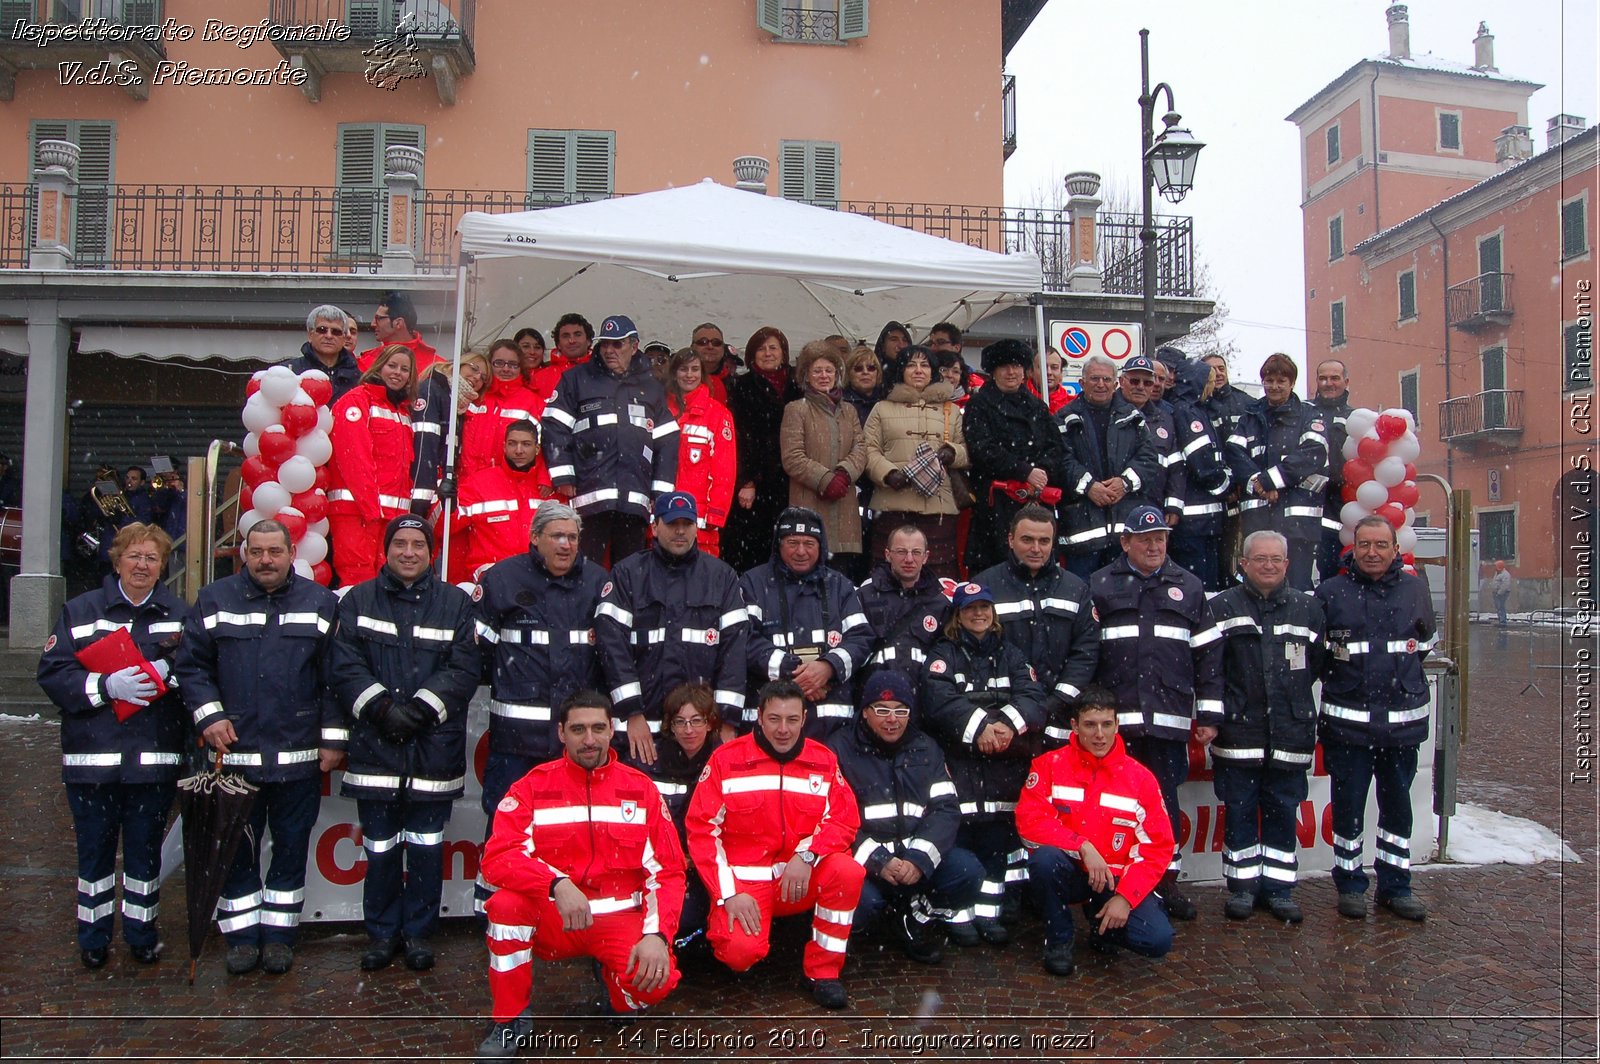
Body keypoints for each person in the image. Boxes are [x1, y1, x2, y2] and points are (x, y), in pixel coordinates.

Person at [477, 692, 687, 1057]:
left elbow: (668, 872)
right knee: (505, 906)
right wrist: (555, 883)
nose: (589, 739)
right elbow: (498, 856)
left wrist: (657, 935)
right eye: (578, 729)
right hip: (555, 917)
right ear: (561, 733)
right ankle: (510, 1020)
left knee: (658, 982)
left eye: (597, 728)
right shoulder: (532, 787)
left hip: (619, 917)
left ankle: (614, 986)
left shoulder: (640, 789)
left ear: (611, 731)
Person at [174, 519, 342, 975]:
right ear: (244, 554)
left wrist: (332, 737)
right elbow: (191, 667)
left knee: (290, 850)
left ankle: (281, 937)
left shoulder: (321, 603)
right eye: (257, 551)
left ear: (292, 554)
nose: (265, 560)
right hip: (236, 757)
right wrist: (209, 715)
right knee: (235, 853)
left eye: (275, 551)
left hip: (298, 757)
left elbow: (335, 678)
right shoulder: (214, 600)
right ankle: (242, 938)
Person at [329, 515, 480, 971]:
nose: (409, 552)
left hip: (432, 750)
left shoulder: (454, 603)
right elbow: (344, 665)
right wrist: (381, 709)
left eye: (418, 544)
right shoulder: (357, 600)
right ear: (387, 550)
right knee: (380, 849)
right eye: (401, 544)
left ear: (431, 553)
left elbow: (463, 668)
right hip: (376, 748)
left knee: (428, 847)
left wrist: (417, 711)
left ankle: (418, 934)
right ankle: (380, 934)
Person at [37, 523, 189, 969]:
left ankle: (142, 934)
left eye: (152, 558)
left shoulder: (180, 613)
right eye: (134, 556)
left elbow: (199, 667)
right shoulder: (80, 610)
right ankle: (94, 937)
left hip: (153, 760)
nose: (142, 565)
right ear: (117, 559)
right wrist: (105, 685)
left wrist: (172, 674)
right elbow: (53, 675)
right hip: (93, 761)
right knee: (95, 854)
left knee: (144, 856)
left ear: (163, 565)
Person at [684, 679, 865, 1010]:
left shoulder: (822, 760)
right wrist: (728, 893)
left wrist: (807, 855)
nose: (784, 729)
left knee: (848, 871)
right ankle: (740, 940)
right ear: (759, 716)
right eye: (774, 719)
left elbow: (844, 819)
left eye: (792, 720)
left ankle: (822, 972)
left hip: (800, 875)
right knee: (739, 955)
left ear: (804, 718)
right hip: (745, 882)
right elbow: (701, 831)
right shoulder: (727, 760)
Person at [471, 502, 607, 914]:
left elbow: (609, 658)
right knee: (505, 825)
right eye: (557, 536)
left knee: (572, 829)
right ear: (535, 538)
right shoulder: (502, 580)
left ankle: (566, 910)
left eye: (573, 537)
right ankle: (495, 907)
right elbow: (476, 655)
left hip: (574, 745)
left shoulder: (598, 583)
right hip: (516, 743)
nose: (566, 545)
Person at [1090, 505, 1223, 922]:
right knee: (1112, 806)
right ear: (1125, 542)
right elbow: (1087, 654)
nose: (1153, 545)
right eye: (1144, 539)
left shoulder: (1190, 585)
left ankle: (1164, 882)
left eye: (1160, 538)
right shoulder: (1100, 585)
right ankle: (1111, 883)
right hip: (1116, 725)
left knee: (1162, 804)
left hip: (1168, 718)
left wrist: (1211, 714)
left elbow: (1208, 655)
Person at [1315, 516, 1437, 921]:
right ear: (1353, 546)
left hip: (1402, 726)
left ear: (1394, 548)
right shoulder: (1330, 592)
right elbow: (1318, 657)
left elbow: (1423, 646)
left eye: (1380, 545)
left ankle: (1395, 885)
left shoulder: (1416, 589)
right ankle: (1350, 884)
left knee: (1398, 808)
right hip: (1348, 728)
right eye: (1364, 544)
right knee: (1347, 808)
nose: (1372, 552)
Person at [1209, 530, 1327, 923]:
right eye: (1260, 559)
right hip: (1239, 732)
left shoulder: (1307, 609)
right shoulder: (1222, 608)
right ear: (1243, 564)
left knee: (1282, 810)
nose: (1269, 565)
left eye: (1277, 559)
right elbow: (1211, 668)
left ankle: (1279, 889)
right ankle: (1242, 889)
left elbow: (1317, 665)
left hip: (1290, 732)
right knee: (1239, 811)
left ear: (1288, 565)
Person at [1016, 685, 1175, 976]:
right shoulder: (1049, 765)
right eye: (1090, 725)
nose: (1099, 734)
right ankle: (1059, 940)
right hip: (1072, 871)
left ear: (1117, 725)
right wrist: (1082, 846)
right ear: (1074, 726)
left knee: (1157, 940)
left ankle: (1103, 928)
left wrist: (1126, 898)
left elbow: (1157, 846)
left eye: (1106, 725)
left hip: (1117, 881)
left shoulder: (1141, 779)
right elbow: (1030, 822)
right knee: (1044, 860)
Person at [826, 670, 982, 965]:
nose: (892, 719)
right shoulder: (839, 749)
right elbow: (831, 817)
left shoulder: (926, 747)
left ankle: (914, 917)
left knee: (968, 872)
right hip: (866, 863)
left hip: (914, 861)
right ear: (865, 712)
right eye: (882, 710)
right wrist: (878, 861)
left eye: (901, 710)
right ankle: (881, 918)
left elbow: (946, 809)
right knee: (862, 904)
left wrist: (919, 859)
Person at [921, 581, 1046, 946]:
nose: (979, 614)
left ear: (993, 614)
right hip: (959, 766)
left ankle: (989, 914)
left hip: (1002, 770)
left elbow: (1033, 697)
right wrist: (980, 727)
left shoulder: (1012, 654)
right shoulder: (944, 654)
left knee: (996, 844)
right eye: (971, 608)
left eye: (985, 608)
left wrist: (1005, 727)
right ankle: (958, 914)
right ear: (958, 615)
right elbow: (938, 700)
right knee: (959, 843)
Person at [595, 492, 750, 765]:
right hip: (642, 727)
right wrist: (632, 712)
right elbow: (611, 645)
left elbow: (734, 652)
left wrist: (726, 720)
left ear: (696, 527)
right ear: (655, 527)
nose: (680, 531)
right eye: (672, 524)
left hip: (700, 730)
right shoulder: (628, 573)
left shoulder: (721, 577)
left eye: (687, 524)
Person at [542, 314, 679, 566]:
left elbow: (667, 440)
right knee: (586, 572)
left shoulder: (650, 386)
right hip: (590, 497)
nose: (609, 350)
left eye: (617, 344)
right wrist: (564, 475)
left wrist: (660, 492)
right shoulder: (577, 379)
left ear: (634, 346)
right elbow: (554, 425)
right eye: (605, 344)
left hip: (634, 500)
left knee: (629, 573)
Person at [738, 506, 873, 741]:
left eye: (809, 544)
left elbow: (861, 638)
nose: (801, 551)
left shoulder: (840, 586)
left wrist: (828, 667)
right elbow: (744, 639)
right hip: (771, 725)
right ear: (778, 545)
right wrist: (795, 672)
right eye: (792, 542)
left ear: (821, 547)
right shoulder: (753, 583)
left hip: (832, 727)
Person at [974, 504, 1099, 748]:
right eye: (1027, 540)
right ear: (1010, 540)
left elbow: (1087, 653)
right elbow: (975, 652)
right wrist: (1015, 711)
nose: (1036, 549)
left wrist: (1056, 701)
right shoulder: (985, 586)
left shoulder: (1076, 589)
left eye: (1044, 541)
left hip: (1061, 718)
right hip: (1003, 720)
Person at [861, 345, 968, 580]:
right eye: (911, 364)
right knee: (888, 574)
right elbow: (867, 448)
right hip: (891, 506)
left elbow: (968, 451)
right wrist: (888, 474)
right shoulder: (882, 407)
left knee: (939, 576)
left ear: (933, 372)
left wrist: (953, 452)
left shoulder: (951, 410)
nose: (918, 370)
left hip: (939, 508)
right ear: (901, 371)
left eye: (924, 365)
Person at [962, 339, 1068, 576]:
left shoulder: (1037, 406)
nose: (1011, 372)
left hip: (1035, 498)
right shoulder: (979, 405)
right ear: (993, 371)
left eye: (1016, 366)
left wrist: (1040, 473)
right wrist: (1023, 471)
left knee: (1036, 561)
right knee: (995, 568)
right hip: (995, 501)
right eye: (1004, 367)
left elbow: (1055, 448)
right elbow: (982, 448)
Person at [1224, 353, 1329, 591]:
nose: (1274, 386)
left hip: (1297, 525)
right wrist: (1258, 484)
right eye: (1269, 381)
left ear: (1292, 383)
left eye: (1281, 381)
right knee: (1257, 587)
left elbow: (1313, 453)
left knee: (1297, 588)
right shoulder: (1250, 416)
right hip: (1258, 519)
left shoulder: (1309, 415)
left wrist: (1270, 481)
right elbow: (1234, 452)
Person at [1056, 354, 1161, 580]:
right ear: (1082, 383)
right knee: (1083, 594)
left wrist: (1124, 483)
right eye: (1094, 379)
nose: (1101, 384)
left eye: (1106, 379)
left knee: (1124, 596)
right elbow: (1060, 460)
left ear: (1115, 384)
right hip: (1082, 530)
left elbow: (1149, 458)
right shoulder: (1065, 418)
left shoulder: (1133, 417)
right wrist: (1089, 486)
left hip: (1124, 529)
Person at [327, 343, 416, 585]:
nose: (398, 372)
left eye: (405, 369)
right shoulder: (356, 402)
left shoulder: (402, 411)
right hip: (356, 512)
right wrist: (370, 509)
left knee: (386, 582)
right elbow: (354, 460)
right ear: (379, 366)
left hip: (389, 517)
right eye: (392, 365)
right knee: (358, 578)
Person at [781, 341, 868, 574]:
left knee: (841, 575)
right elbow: (792, 457)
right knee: (808, 562)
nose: (823, 376)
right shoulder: (796, 409)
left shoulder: (848, 410)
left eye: (829, 370)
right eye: (817, 370)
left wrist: (844, 473)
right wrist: (825, 479)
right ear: (806, 376)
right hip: (809, 503)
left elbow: (861, 448)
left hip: (844, 505)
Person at [648, 684, 722, 950]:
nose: (689, 730)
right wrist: (675, 858)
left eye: (696, 721)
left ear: (710, 722)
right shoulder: (649, 762)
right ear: (670, 725)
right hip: (665, 863)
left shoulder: (725, 760)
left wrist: (697, 859)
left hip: (708, 863)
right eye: (680, 722)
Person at [722, 326, 800, 575]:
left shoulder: (798, 387)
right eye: (761, 348)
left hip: (790, 479)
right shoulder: (740, 386)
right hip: (756, 481)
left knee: (788, 543)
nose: (767, 353)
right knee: (752, 548)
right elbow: (739, 436)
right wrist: (747, 479)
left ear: (784, 352)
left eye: (773, 347)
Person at [1165, 357, 1233, 591]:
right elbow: (1201, 462)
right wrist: (1226, 486)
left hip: (1206, 522)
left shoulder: (1197, 411)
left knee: (1209, 584)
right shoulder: (1187, 412)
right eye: (1210, 381)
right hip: (1195, 523)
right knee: (1199, 585)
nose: (1213, 386)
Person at [454, 420, 552, 579]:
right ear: (504, 447)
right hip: (493, 579)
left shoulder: (549, 490)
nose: (519, 450)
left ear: (537, 449)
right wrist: (445, 502)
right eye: (513, 444)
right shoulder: (479, 483)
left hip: (539, 579)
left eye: (526, 444)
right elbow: (443, 527)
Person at [664, 347, 737, 557]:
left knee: (701, 581)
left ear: (702, 374)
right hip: (662, 516)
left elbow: (725, 469)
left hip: (700, 520)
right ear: (674, 373)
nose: (689, 375)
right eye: (683, 369)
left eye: (695, 369)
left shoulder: (718, 414)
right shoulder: (659, 411)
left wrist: (716, 514)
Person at [857, 524, 950, 679]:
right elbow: (854, 646)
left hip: (924, 692)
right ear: (887, 554)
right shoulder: (865, 597)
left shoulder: (940, 604)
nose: (909, 559)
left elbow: (947, 657)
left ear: (926, 557)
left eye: (916, 552)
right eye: (901, 552)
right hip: (875, 692)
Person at [409, 351, 488, 516]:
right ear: (461, 363)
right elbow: (424, 446)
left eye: (483, 378)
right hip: (420, 488)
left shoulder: (457, 403)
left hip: (437, 488)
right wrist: (422, 496)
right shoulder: (431, 390)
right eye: (474, 368)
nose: (476, 377)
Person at [459, 339, 544, 483]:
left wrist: (543, 477)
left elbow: (543, 446)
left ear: (521, 367)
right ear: (489, 364)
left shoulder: (533, 401)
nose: (506, 369)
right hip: (468, 481)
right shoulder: (474, 396)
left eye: (512, 364)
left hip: (510, 484)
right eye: (499, 363)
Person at [1116, 356, 1184, 532]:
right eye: (1134, 381)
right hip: (1116, 507)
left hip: (1153, 505)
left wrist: (1173, 505)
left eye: (1147, 383)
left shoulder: (1165, 419)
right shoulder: (1109, 413)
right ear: (1122, 381)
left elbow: (1176, 466)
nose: (1140, 386)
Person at [1313, 359, 1353, 582]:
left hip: (1341, 509)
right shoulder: (1302, 413)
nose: (1328, 383)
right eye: (1323, 378)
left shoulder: (1356, 419)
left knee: (1337, 573)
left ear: (1346, 382)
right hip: (1304, 509)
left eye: (1334, 378)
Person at [290, 304, 362, 401]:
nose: (329, 336)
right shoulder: (290, 372)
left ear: (344, 338)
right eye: (322, 330)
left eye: (336, 332)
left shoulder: (359, 378)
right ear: (310, 335)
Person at [359, 291, 438, 375]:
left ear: (398, 323)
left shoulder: (435, 367)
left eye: (379, 318)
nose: (373, 324)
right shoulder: (364, 361)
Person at [527, 312, 593, 402]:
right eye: (566, 336)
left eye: (577, 335)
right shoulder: (539, 379)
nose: (572, 340)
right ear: (558, 344)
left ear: (588, 340)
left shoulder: (604, 372)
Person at [690, 322, 738, 405]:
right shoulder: (679, 380)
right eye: (703, 342)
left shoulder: (737, 384)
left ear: (723, 348)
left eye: (716, 343)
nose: (710, 346)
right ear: (692, 347)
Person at [842, 345, 885, 432]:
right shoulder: (839, 404)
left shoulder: (886, 400)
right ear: (848, 374)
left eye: (871, 368)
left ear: (878, 373)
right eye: (858, 368)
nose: (865, 372)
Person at [1028, 346, 1071, 414]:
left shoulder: (1072, 404)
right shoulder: (1018, 401)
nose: (1049, 372)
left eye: (1054, 367)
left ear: (1061, 373)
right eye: (1043, 367)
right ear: (1031, 371)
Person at [1490, 559, 1514, 625]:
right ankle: (1501, 620)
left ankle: (1502, 621)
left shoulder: (1505, 574)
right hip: (1496, 593)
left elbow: (1505, 585)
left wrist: (1499, 592)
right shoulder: (1497, 573)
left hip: (1502, 593)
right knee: (1498, 607)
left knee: (1501, 606)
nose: (1494, 567)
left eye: (1496, 566)